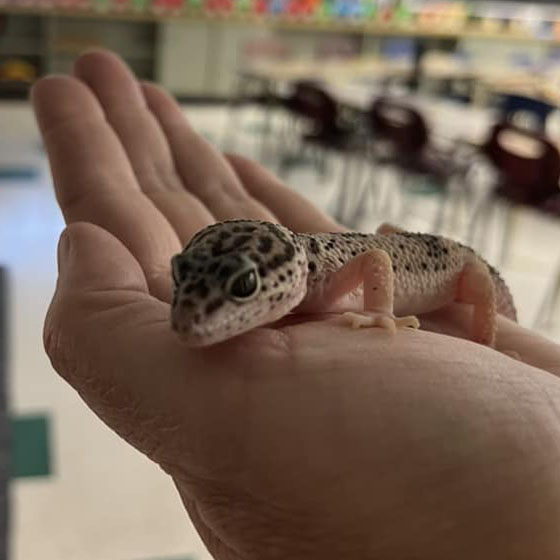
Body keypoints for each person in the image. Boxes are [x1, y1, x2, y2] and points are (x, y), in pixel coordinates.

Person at [31, 49, 560, 559]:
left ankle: (490, 343)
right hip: (395, 251)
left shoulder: (325, 277)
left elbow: (378, 258)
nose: (190, 318)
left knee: (449, 271)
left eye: (241, 290)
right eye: (185, 279)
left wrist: (394, 319)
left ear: (288, 277)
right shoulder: (298, 276)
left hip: (454, 264)